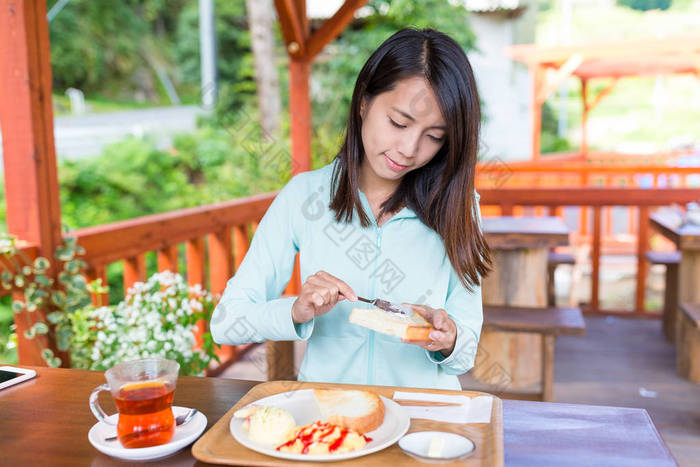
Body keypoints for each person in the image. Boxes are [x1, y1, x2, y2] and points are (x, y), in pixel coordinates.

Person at [211, 28, 492, 390]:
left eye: (434, 136)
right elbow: (226, 322)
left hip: (422, 423)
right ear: (363, 103)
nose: (409, 148)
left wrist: (448, 339)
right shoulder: (304, 196)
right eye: (398, 122)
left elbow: (466, 351)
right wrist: (296, 311)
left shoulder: (459, 207)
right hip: (330, 423)